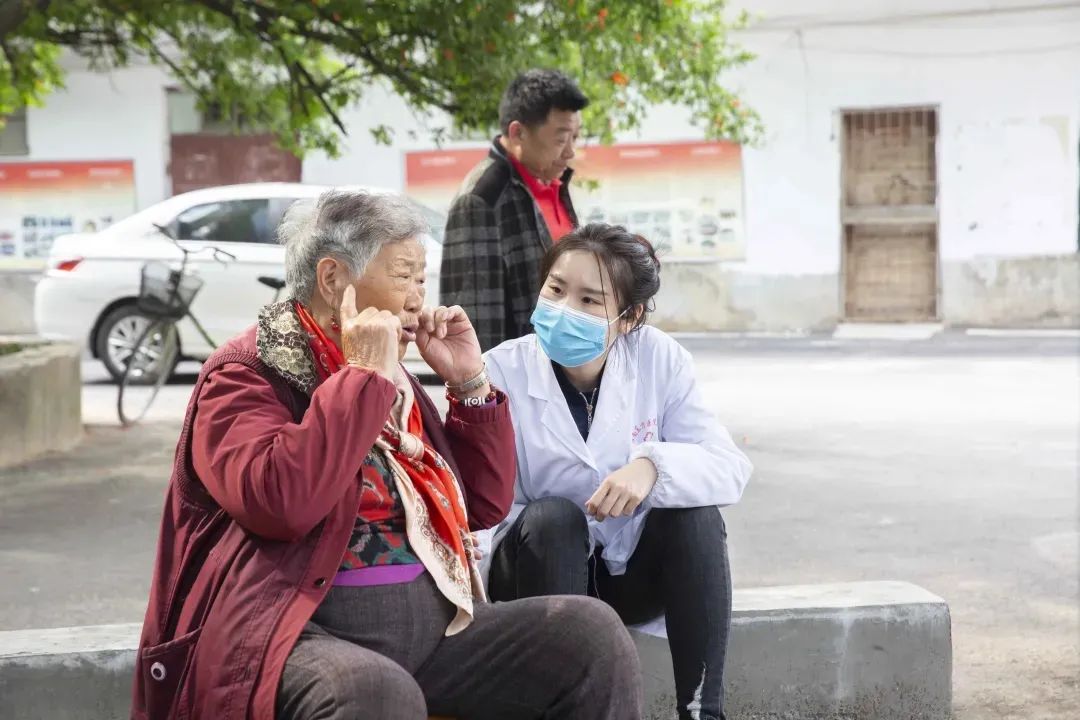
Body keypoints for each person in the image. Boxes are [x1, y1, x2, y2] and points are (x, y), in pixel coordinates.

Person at [131, 192, 643, 720]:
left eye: (422, 280)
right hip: (294, 633)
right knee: (374, 691)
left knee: (591, 637)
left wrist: (469, 384)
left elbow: (483, 505)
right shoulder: (244, 374)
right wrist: (360, 378)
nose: (419, 300)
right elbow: (281, 504)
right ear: (333, 279)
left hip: (432, 631)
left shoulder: (393, 379)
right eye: (404, 277)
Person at [483, 223, 754, 720]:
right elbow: (479, 504)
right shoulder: (500, 371)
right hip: (535, 576)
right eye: (556, 289)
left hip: (624, 575)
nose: (565, 309)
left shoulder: (660, 359)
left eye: (590, 300)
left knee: (696, 518)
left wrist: (652, 466)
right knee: (555, 519)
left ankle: (702, 712)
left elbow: (728, 466)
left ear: (629, 318)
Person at [440, 68, 588, 352]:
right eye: (561, 139)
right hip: (519, 374)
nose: (571, 152)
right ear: (518, 133)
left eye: (576, 137)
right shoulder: (481, 199)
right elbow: (475, 329)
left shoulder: (555, 184)